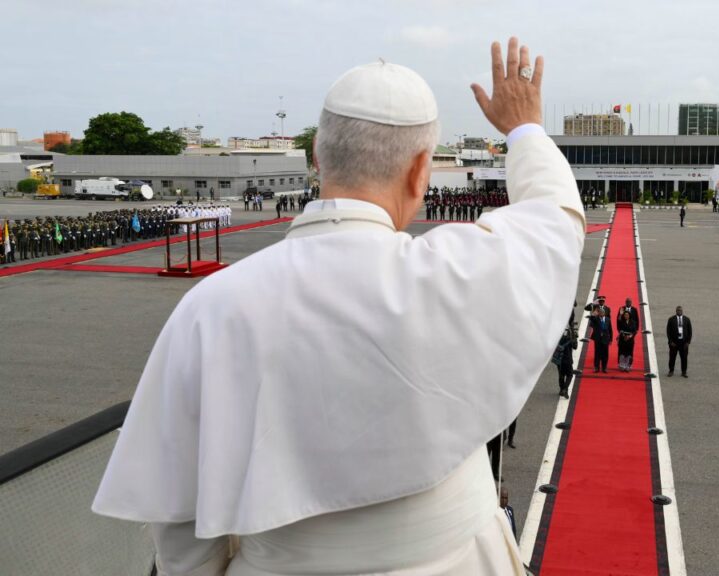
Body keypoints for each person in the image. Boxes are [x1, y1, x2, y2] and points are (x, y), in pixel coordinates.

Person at [93, 38, 584, 575]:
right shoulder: (462, 272)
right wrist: (524, 129)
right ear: (423, 172)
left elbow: (179, 525)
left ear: (316, 158)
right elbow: (552, 220)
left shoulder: (209, 308)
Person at [666, 306, 692, 377]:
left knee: (684, 358)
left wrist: (688, 342)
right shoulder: (671, 319)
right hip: (674, 343)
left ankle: (684, 372)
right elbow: (668, 332)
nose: (679, 311)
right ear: (676, 311)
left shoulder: (687, 319)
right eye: (678, 310)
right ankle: (671, 371)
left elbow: (690, 332)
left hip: (683, 343)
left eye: (680, 310)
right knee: (672, 358)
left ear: (682, 311)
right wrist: (671, 342)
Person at [554, 326, 577, 398]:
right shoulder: (570, 338)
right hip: (568, 360)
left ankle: (561, 390)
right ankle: (565, 389)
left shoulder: (557, 338)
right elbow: (575, 347)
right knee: (570, 375)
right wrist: (575, 338)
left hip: (559, 360)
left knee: (561, 375)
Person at [589, 306, 612, 373]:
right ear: (598, 313)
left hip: (605, 339)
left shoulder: (608, 319)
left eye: (602, 312)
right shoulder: (596, 319)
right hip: (598, 339)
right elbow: (592, 319)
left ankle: (604, 368)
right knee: (597, 353)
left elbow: (610, 330)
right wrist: (593, 314)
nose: (601, 313)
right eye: (600, 312)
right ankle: (596, 367)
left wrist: (610, 339)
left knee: (605, 354)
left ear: (604, 313)